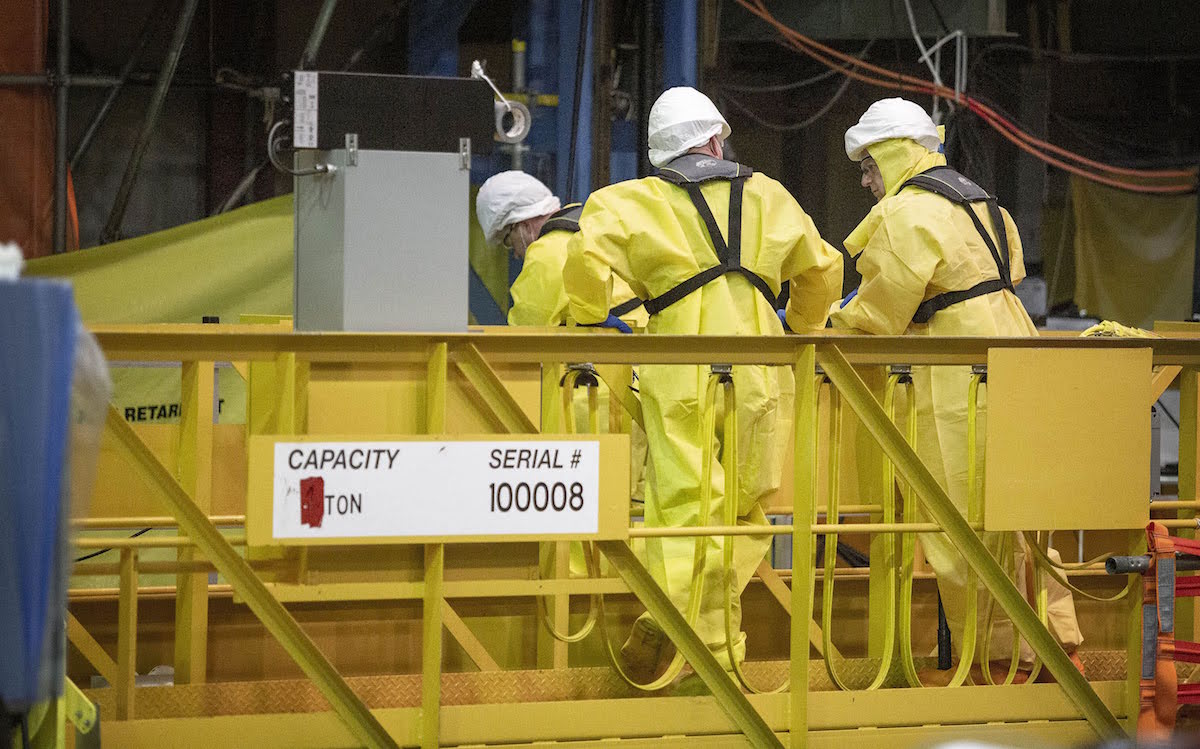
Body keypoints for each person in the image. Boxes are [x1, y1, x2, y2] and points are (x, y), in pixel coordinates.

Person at [564, 86, 843, 680]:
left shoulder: (625, 202)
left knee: (684, 506)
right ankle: (706, 639)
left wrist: (590, 321)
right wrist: (800, 329)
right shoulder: (770, 195)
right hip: (764, 365)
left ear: (661, 155)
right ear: (715, 140)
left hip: (678, 368)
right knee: (746, 509)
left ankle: (692, 634)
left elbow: (587, 267)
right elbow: (822, 269)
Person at [830, 97, 1083, 676]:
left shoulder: (905, 213)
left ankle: (998, 660)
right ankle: (1058, 643)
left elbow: (879, 313)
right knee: (1023, 514)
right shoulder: (981, 201)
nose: (868, 182)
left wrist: (822, 330)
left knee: (960, 523)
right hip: (1015, 350)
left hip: (957, 370)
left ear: (892, 156)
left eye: (869, 167)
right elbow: (1006, 273)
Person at [475, 171, 645, 329]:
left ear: (522, 226)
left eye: (509, 241)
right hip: (652, 342)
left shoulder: (544, 254)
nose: (517, 254)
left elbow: (526, 333)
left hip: (611, 356)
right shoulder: (596, 221)